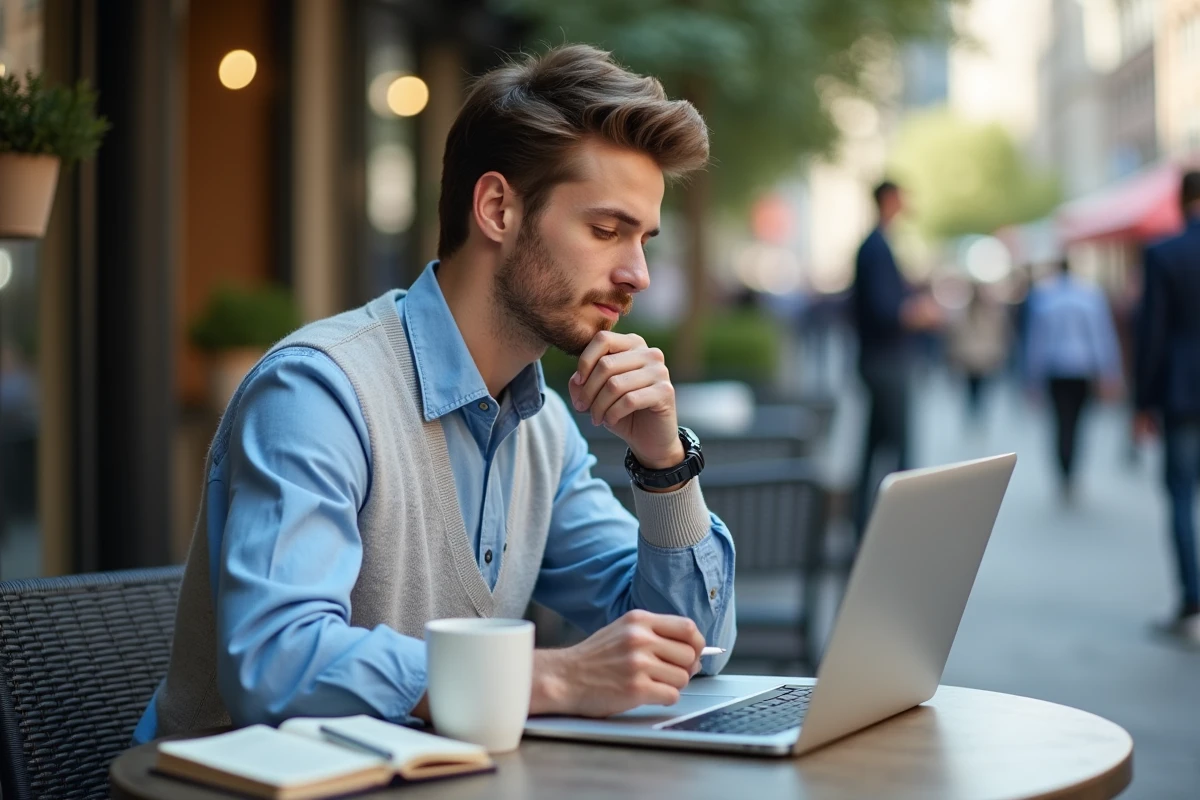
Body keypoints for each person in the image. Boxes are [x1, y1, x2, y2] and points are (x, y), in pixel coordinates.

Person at [135, 44, 737, 743]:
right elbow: (274, 662)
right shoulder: (318, 391)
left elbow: (694, 646)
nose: (638, 274)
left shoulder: (540, 430)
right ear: (496, 209)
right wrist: (554, 679)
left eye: (643, 240)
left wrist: (664, 463)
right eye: (606, 230)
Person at [851, 180, 942, 536]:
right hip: (886, 361)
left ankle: (865, 524)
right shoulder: (877, 248)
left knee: (875, 446)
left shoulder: (875, 245)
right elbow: (885, 310)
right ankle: (902, 528)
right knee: (900, 448)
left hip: (879, 360)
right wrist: (919, 313)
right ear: (889, 200)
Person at [1134, 170, 1200, 641]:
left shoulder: (1164, 253)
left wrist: (1141, 404)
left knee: (1180, 495)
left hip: (1182, 392)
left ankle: (1192, 601)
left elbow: (1150, 334)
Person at [1025, 258, 1122, 504]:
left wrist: (1032, 377)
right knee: (1078, 423)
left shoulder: (1045, 298)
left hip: (1055, 369)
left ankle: (1064, 471)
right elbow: (1101, 336)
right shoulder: (1089, 296)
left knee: (1060, 422)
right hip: (1082, 369)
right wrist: (1109, 372)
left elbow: (1036, 340)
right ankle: (1072, 470)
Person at [948, 282, 1011, 428]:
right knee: (978, 389)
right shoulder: (985, 313)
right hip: (979, 358)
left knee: (974, 389)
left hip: (974, 358)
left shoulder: (984, 313)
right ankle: (976, 414)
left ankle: (975, 414)